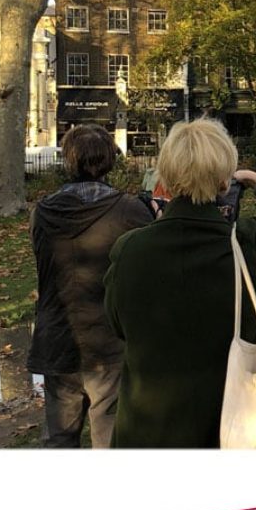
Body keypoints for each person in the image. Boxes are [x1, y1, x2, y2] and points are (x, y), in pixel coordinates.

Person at [103, 119, 256, 447]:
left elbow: (117, 324)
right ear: (224, 181)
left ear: (166, 177)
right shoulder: (250, 246)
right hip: (234, 430)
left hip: (148, 432)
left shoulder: (129, 250)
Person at [27, 124, 153, 448]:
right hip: (107, 341)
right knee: (109, 439)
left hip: (59, 336)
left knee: (59, 439)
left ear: (68, 161)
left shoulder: (41, 213)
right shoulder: (131, 211)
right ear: (110, 160)